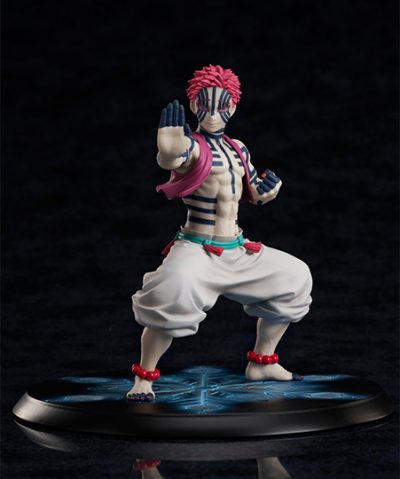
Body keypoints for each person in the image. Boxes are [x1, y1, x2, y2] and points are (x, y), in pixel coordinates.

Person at [127, 65, 312, 401]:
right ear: (194, 105)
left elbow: (253, 190)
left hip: (237, 249)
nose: (213, 114)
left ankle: (262, 362)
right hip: (197, 249)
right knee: (171, 293)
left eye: (222, 105)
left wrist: (268, 190)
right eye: (205, 104)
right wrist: (168, 150)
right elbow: (176, 158)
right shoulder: (194, 146)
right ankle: (144, 377)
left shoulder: (238, 148)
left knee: (295, 277)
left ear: (233, 107)